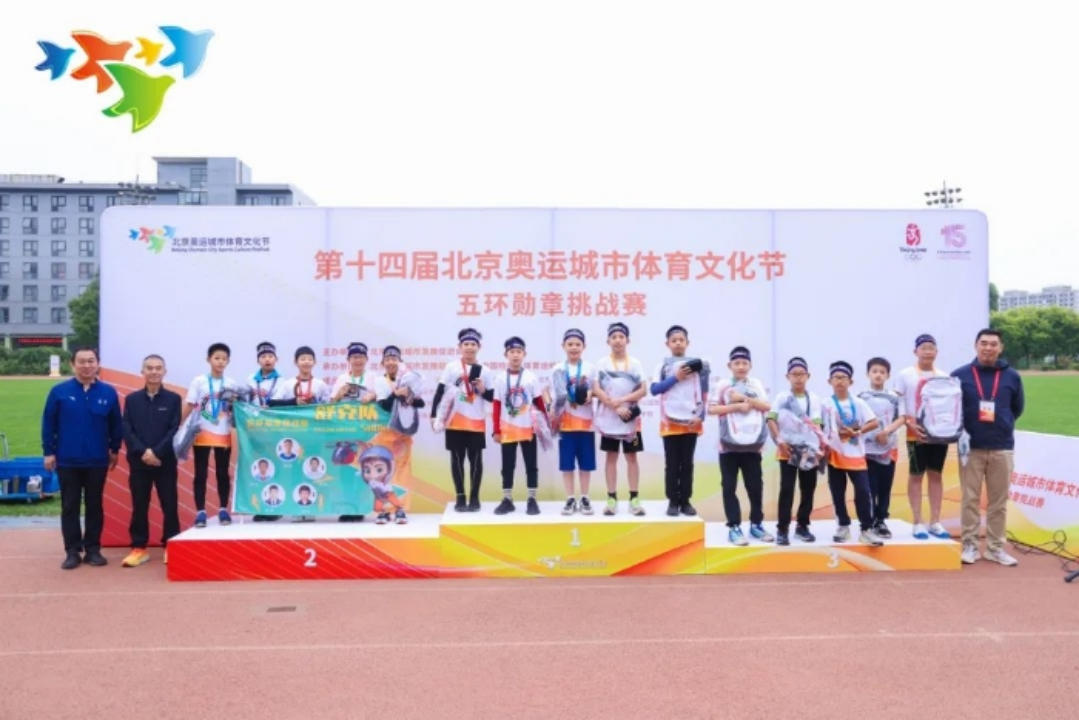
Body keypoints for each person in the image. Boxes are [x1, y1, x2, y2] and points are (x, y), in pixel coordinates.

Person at [41, 346, 123, 570]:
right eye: (82, 361)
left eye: (91, 361)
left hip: (97, 460)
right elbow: (48, 423)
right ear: (72, 364)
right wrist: (48, 451)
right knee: (70, 506)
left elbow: (116, 424)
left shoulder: (108, 392)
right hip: (67, 460)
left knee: (95, 505)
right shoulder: (59, 392)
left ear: (98, 364)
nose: (87, 366)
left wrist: (114, 449)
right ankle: (72, 551)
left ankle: (93, 549)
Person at [952, 329, 1024, 566]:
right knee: (970, 500)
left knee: (998, 503)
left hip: (1002, 447)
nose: (988, 348)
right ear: (976, 346)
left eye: (993, 344)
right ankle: (970, 546)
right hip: (970, 448)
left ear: (1000, 348)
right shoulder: (960, 375)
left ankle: (995, 548)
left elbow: (1017, 409)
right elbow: (952, 410)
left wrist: (1002, 424)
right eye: (984, 343)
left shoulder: (1012, 376)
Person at [120, 354, 182, 568]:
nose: (154, 371)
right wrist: (144, 452)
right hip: (139, 462)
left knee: (169, 504)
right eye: (149, 368)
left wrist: (157, 453)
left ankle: (171, 545)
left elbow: (174, 429)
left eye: (158, 368)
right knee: (139, 505)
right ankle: (139, 547)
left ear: (165, 372)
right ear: (142, 371)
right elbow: (127, 429)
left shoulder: (173, 399)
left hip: (165, 462)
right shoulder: (132, 399)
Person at [710, 346, 772, 543]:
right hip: (728, 446)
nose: (741, 366)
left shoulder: (756, 384)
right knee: (729, 487)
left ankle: (756, 525)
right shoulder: (722, 385)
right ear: (730, 365)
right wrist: (736, 406)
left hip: (753, 446)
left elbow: (767, 406)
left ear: (750, 365)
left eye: (745, 363)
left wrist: (745, 398)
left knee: (755, 486)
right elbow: (712, 409)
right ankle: (734, 527)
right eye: (737, 363)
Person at [430, 328, 495, 512]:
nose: (469, 347)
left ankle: (474, 498)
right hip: (454, 421)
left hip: (476, 421)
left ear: (479, 347)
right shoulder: (451, 367)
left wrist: (482, 389)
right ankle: (460, 497)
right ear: (460, 346)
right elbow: (440, 391)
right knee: (457, 459)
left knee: (476, 461)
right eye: (466, 344)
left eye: (473, 344)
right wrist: (434, 415)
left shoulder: (486, 370)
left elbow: (492, 397)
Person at [894, 334, 952, 540]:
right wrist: (909, 422)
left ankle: (935, 521)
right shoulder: (905, 375)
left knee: (936, 474)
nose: (927, 351)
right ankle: (917, 521)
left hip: (938, 433)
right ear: (915, 351)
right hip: (915, 432)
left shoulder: (944, 376)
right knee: (916, 474)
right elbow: (899, 402)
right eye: (923, 348)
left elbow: (947, 403)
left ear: (936, 352)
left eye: (931, 348)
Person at [822, 361, 884, 546]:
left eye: (843, 378)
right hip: (835, 455)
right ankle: (843, 526)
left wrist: (859, 431)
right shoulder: (825, 404)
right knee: (838, 493)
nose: (840, 381)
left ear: (851, 381)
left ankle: (866, 529)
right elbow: (820, 426)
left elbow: (874, 422)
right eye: (836, 377)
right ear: (829, 381)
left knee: (863, 492)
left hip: (856, 455)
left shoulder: (858, 402)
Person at [591, 322, 648, 516]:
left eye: (621, 337)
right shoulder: (602, 363)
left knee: (632, 458)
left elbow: (643, 390)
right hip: (609, 418)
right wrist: (614, 406)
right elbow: (597, 389)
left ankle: (634, 499)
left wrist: (622, 402)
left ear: (627, 340)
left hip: (630, 419)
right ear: (608, 341)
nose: (617, 340)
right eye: (613, 337)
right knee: (611, 458)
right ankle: (611, 499)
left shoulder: (635, 364)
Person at [767, 357, 825, 545]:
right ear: (788, 376)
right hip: (787, 449)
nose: (798, 378)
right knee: (787, 489)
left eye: (802, 374)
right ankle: (782, 529)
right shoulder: (782, 397)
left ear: (808, 376)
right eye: (794, 374)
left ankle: (802, 526)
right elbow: (771, 419)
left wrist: (818, 448)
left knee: (808, 489)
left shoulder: (814, 399)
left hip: (808, 450)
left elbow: (816, 424)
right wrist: (779, 441)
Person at [182, 342, 241, 528]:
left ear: (228, 361)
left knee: (223, 473)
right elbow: (190, 404)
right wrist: (176, 425)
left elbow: (236, 409)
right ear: (208, 359)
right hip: (202, 433)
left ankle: (223, 509)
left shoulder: (231, 384)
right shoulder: (199, 381)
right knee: (200, 474)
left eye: (224, 359)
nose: (220, 362)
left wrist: (235, 404)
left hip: (223, 433)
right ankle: (200, 512)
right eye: (217, 358)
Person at [651, 325, 708, 517]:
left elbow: (705, 392)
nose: (677, 343)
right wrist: (675, 377)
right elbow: (655, 390)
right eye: (674, 340)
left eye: (681, 340)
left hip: (691, 421)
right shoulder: (662, 366)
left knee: (687, 463)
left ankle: (685, 501)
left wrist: (701, 416)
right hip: (669, 422)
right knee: (672, 463)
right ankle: (673, 501)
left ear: (687, 343)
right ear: (667, 344)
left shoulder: (698, 366)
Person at [491, 337, 547, 515]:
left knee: (531, 464)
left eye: (518, 352)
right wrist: (496, 430)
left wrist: (544, 426)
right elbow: (497, 405)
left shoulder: (531, 377)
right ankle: (507, 499)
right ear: (506, 354)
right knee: (507, 465)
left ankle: (532, 499)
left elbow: (539, 402)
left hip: (528, 428)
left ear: (524, 354)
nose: (515, 355)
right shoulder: (500, 378)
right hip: (507, 428)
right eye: (512, 352)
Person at [551, 328, 597, 516]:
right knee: (567, 464)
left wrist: (591, 394)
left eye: (578, 344)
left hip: (586, 425)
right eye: (570, 344)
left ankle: (585, 497)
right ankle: (570, 498)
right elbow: (555, 394)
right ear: (563, 346)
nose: (574, 347)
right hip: (565, 425)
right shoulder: (557, 369)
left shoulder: (590, 368)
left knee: (586, 464)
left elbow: (597, 390)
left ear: (584, 346)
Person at [860, 357, 906, 539]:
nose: (878, 375)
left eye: (882, 372)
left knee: (885, 486)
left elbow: (902, 418)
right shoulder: (861, 397)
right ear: (868, 374)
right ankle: (869, 520)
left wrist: (886, 432)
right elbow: (858, 420)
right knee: (869, 487)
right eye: (874, 371)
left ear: (888, 375)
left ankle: (881, 520)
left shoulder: (895, 397)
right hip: (867, 449)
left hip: (889, 448)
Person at [332, 342, 377, 522]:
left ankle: (361, 508)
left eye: (361, 357)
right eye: (354, 357)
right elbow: (330, 405)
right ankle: (348, 507)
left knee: (364, 470)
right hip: (345, 431)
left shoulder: (373, 378)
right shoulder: (342, 379)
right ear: (348, 360)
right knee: (346, 471)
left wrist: (373, 395)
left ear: (366, 359)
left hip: (366, 432)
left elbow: (384, 401)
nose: (357, 360)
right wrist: (338, 395)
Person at [246, 342, 280, 522]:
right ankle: (260, 506)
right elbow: (245, 403)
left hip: (275, 431)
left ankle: (275, 507)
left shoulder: (282, 382)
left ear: (276, 359)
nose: (267, 360)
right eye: (263, 356)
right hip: (255, 430)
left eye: (270, 356)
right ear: (258, 360)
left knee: (275, 468)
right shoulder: (250, 381)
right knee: (259, 468)